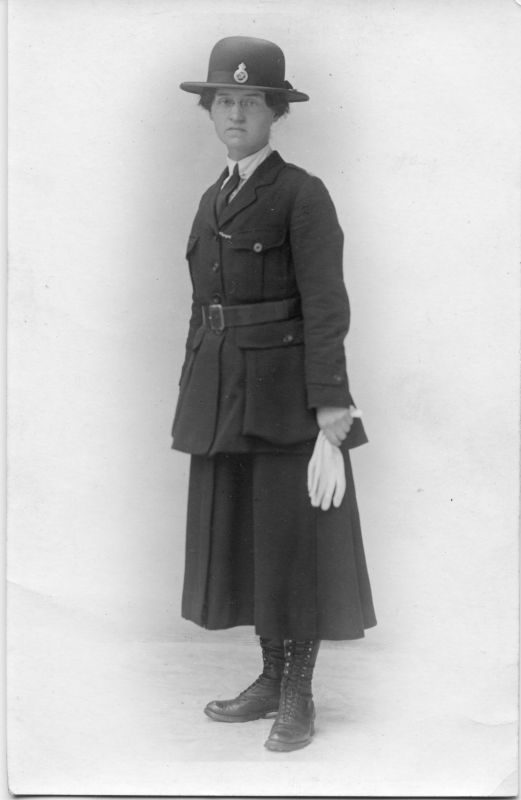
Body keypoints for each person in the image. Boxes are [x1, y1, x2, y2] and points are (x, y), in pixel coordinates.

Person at [171, 35, 376, 752]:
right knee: (250, 543)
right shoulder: (213, 195)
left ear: (273, 114)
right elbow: (205, 307)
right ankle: (266, 678)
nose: (234, 114)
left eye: (249, 102)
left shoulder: (300, 193)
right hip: (223, 393)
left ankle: (298, 694)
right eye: (223, 101)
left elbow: (325, 303)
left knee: (294, 547)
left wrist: (331, 413)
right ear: (209, 111)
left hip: (288, 399)